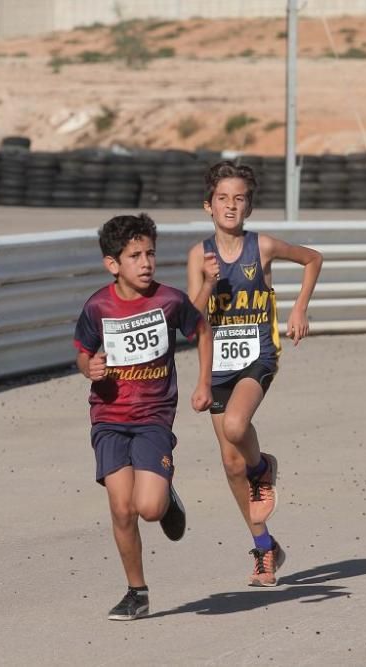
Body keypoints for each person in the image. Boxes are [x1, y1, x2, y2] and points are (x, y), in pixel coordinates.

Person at [186, 161, 322, 587]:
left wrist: (299, 307)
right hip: (217, 363)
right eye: (223, 198)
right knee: (229, 464)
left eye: (239, 198)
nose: (231, 205)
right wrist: (208, 283)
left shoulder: (260, 247)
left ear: (248, 205)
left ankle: (262, 467)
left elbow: (313, 258)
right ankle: (265, 550)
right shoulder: (199, 255)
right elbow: (190, 318)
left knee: (236, 425)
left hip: (257, 356)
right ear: (208, 205)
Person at [74, 214, 213, 620]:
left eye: (150, 253)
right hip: (108, 418)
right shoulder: (98, 306)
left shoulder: (169, 300)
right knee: (122, 509)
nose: (146, 262)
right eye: (134, 256)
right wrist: (90, 368)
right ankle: (137, 591)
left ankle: (165, 495)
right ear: (112, 264)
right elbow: (83, 352)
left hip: (153, 417)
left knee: (148, 508)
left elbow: (201, 331)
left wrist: (202, 384)